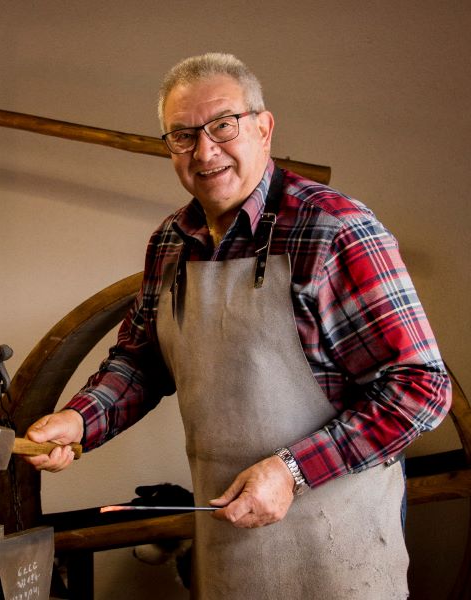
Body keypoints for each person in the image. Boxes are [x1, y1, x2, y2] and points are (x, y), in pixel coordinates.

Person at [25, 53, 451, 598]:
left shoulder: (334, 229)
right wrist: (79, 420)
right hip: (227, 552)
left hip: (338, 555)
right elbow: (142, 361)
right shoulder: (170, 242)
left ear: (263, 128)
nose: (205, 152)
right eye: (183, 136)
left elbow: (421, 388)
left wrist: (292, 471)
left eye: (223, 125)